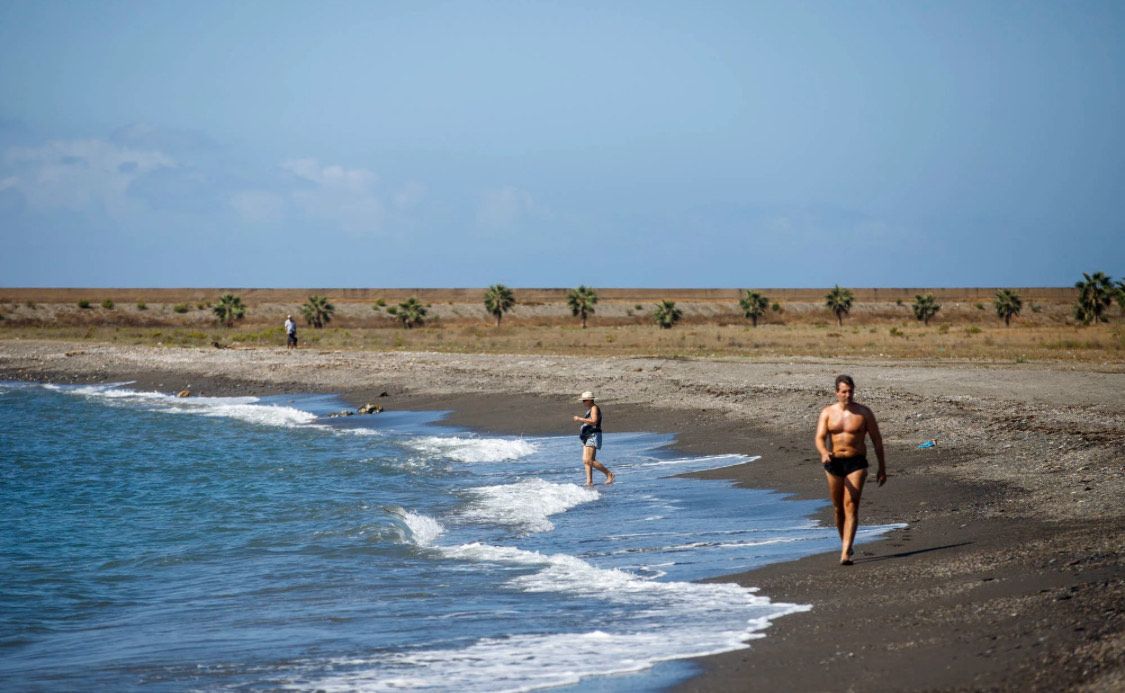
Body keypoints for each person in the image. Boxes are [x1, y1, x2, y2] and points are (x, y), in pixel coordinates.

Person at [814, 374, 886, 565]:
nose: (848, 395)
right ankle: (845, 542)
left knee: (851, 504)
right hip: (834, 462)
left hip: (856, 463)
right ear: (837, 392)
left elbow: (877, 441)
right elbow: (820, 437)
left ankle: (845, 553)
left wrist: (882, 468)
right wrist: (823, 452)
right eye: (844, 391)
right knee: (838, 509)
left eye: (850, 391)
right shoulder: (828, 413)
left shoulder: (864, 413)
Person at [573, 391, 614, 486]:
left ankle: (609, 474)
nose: (583, 402)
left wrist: (580, 419)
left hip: (593, 435)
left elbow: (594, 421)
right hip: (587, 436)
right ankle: (589, 481)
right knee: (586, 460)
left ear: (590, 400)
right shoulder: (590, 409)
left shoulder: (594, 408)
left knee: (589, 460)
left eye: (584, 400)